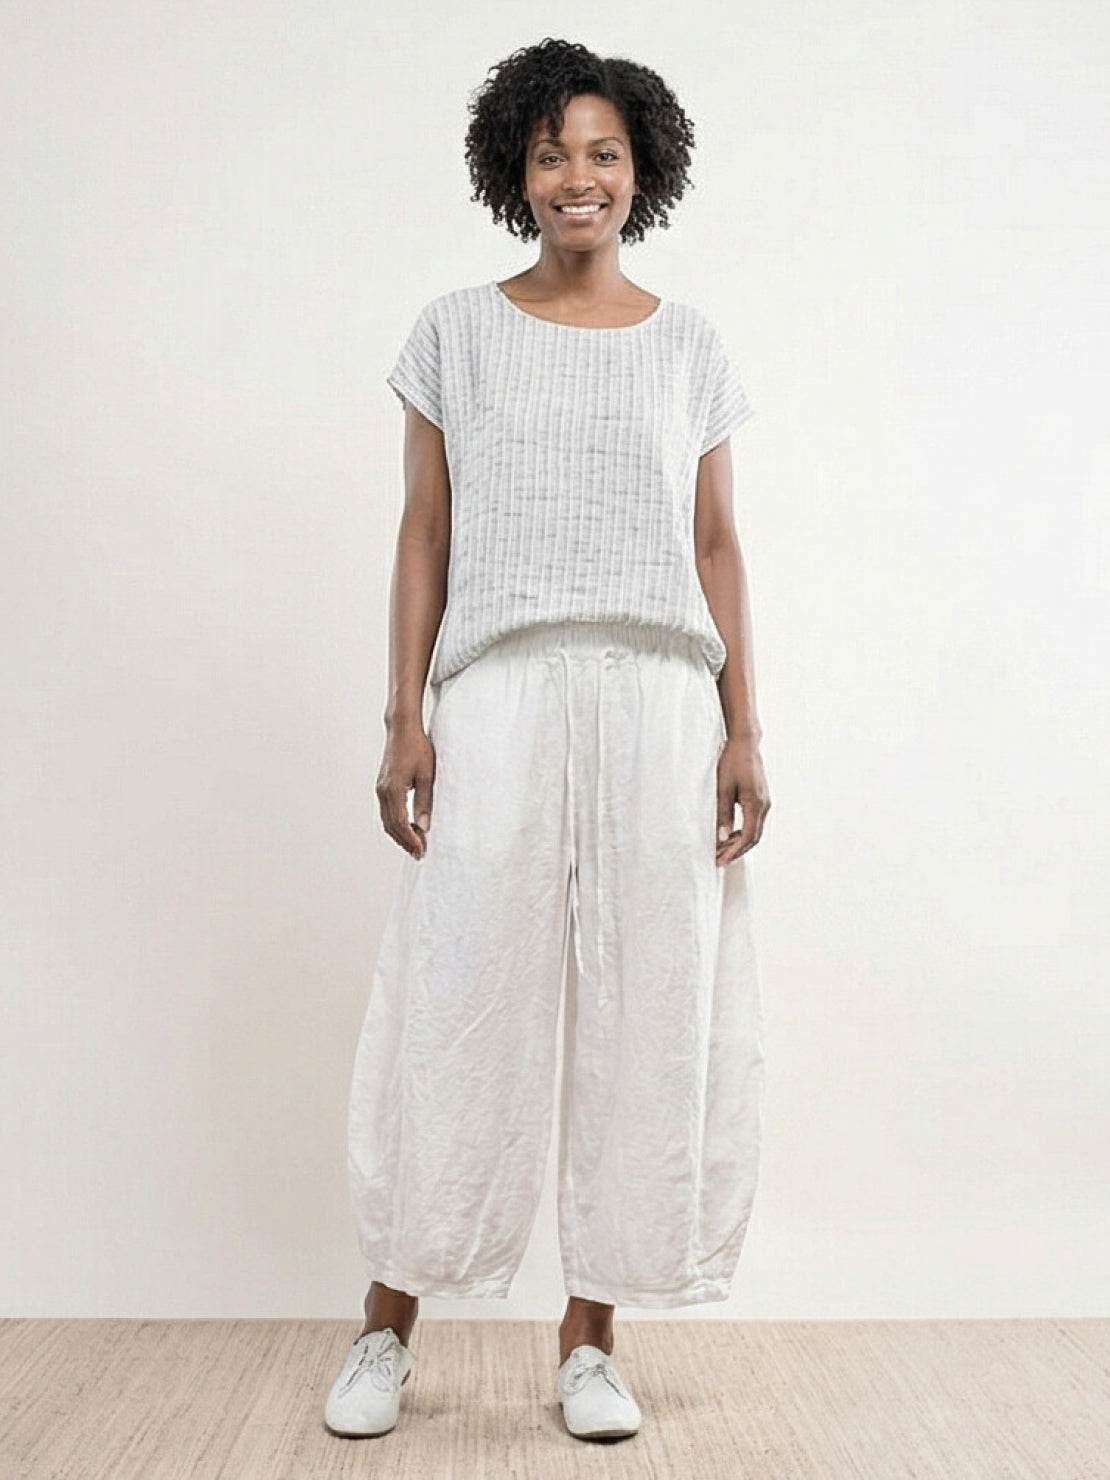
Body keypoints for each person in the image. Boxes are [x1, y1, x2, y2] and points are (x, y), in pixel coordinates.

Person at [324, 36, 770, 1444]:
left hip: (660, 698)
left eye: (604, 153)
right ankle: (387, 1325)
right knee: (457, 991)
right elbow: (425, 532)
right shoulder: (455, 332)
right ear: (512, 173)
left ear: (643, 172)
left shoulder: (689, 345)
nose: (579, 176)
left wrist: (744, 730)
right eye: (550, 153)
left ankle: (590, 1343)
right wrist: (405, 714)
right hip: (501, 690)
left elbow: (715, 544)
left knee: (649, 1005)